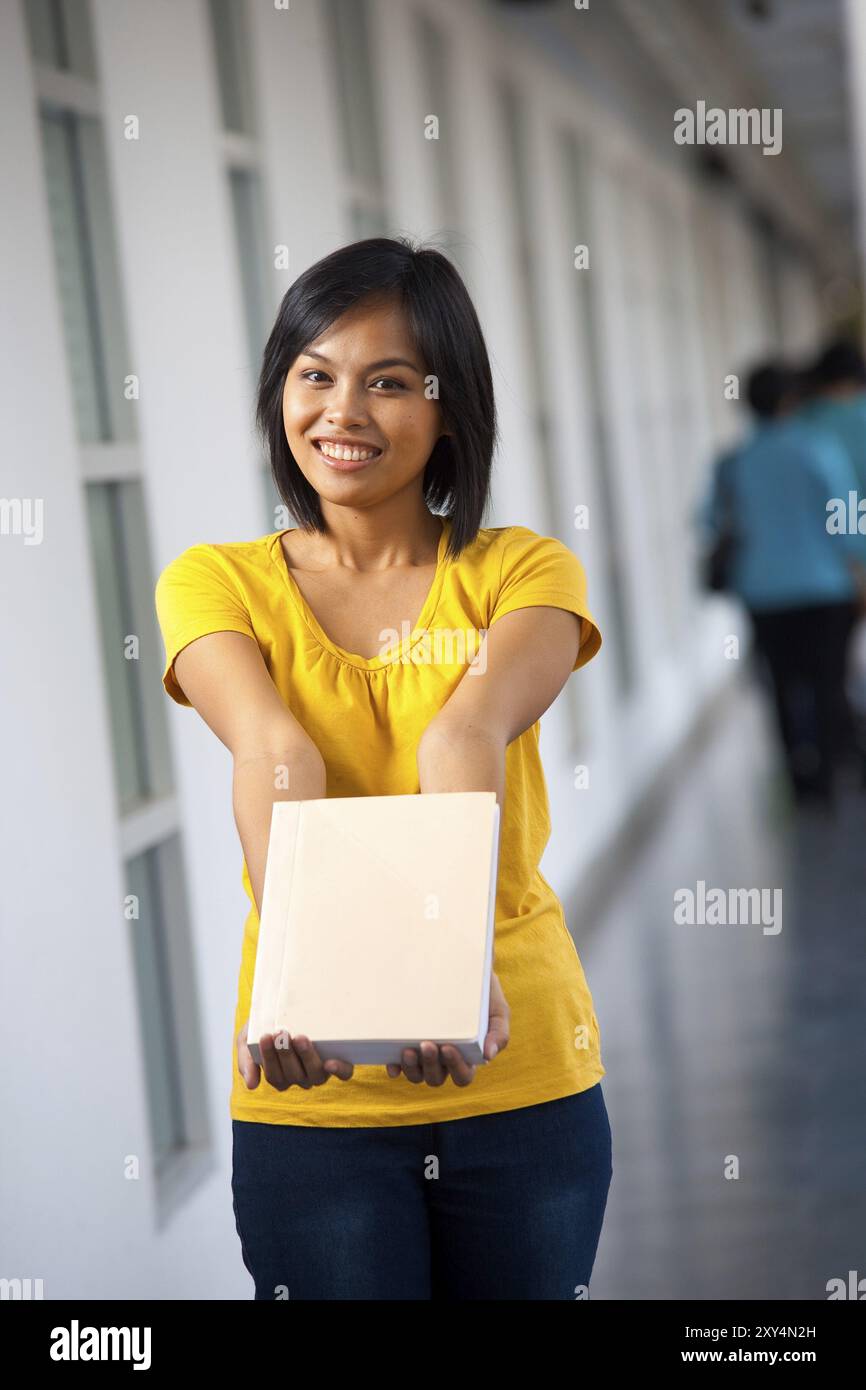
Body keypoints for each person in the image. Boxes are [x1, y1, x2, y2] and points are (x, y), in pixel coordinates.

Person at [154, 236, 612, 1300]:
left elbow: (460, 739)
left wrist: (448, 979)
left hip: (519, 1067)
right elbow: (276, 754)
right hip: (309, 1091)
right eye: (314, 375)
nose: (341, 412)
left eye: (388, 382)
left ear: (450, 409)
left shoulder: (523, 571)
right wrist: (327, 984)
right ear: (279, 394)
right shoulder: (214, 582)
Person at [699, 362, 866, 808]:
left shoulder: (732, 462)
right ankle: (828, 778)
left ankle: (799, 781)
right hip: (825, 589)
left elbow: (710, 521)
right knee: (828, 682)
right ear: (792, 401)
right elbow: (848, 518)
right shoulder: (819, 450)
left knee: (781, 684)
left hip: (765, 592)